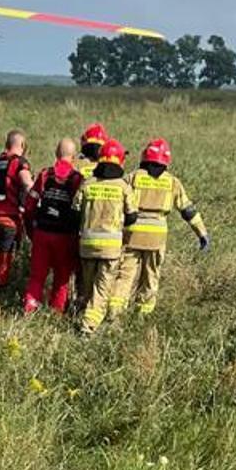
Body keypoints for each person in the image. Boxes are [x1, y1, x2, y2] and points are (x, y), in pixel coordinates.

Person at [114, 138, 210, 317]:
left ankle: (114, 314)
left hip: (132, 235)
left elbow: (116, 201)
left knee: (125, 276)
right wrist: (202, 233)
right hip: (157, 238)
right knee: (151, 277)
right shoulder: (173, 182)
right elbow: (187, 210)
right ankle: (142, 315)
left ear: (145, 157)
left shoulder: (133, 177)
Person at [74, 138, 132, 333]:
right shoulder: (123, 187)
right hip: (111, 249)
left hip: (87, 245)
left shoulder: (87, 183)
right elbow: (132, 216)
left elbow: (75, 211)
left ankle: (82, 311)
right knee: (102, 288)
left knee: (88, 286)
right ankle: (88, 326)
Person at [22, 138, 82, 314]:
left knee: (37, 277)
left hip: (42, 233)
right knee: (62, 278)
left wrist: (32, 230)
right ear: (74, 158)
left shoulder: (44, 174)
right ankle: (56, 315)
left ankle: (29, 309)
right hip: (65, 236)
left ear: (56, 155)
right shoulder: (77, 179)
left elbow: (29, 205)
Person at [0, 129, 34, 288]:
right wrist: (36, 194)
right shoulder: (19, 163)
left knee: (2, 251)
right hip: (8, 219)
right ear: (23, 145)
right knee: (7, 254)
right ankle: (1, 288)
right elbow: (26, 183)